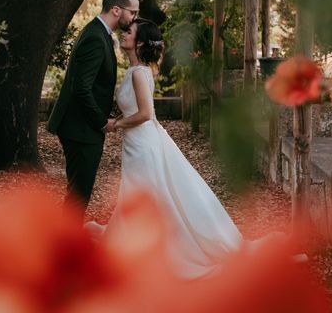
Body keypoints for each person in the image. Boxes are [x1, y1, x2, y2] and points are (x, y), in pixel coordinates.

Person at [90, 19, 304, 279]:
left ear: (141, 42)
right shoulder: (138, 70)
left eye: (129, 32)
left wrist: (116, 124)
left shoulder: (138, 73)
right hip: (140, 142)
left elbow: (145, 113)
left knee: (147, 195)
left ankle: (150, 250)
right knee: (146, 194)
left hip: (143, 142)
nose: (124, 35)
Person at [47, 0, 142, 214]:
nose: (134, 18)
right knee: (78, 198)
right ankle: (67, 247)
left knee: (78, 195)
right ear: (117, 10)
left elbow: (91, 86)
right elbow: (81, 89)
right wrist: (101, 122)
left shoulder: (98, 33)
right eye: (133, 12)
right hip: (80, 129)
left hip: (80, 127)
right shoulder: (95, 38)